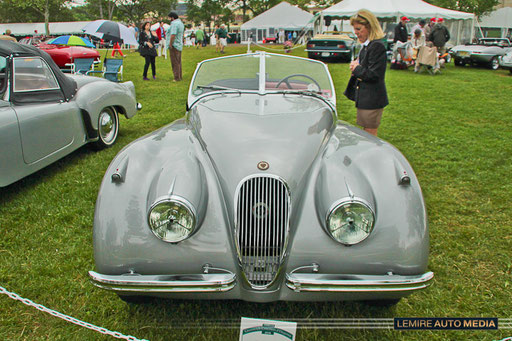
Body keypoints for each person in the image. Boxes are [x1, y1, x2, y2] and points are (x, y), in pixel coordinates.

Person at [344, 10, 388, 137]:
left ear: (369, 27)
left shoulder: (376, 46)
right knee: (365, 133)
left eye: (359, 29)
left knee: (369, 135)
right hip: (366, 97)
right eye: (355, 29)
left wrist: (357, 69)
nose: (356, 33)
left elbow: (374, 75)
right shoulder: (367, 46)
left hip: (372, 98)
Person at [166, 11, 184, 82]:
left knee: (174, 62)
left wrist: (170, 44)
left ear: (172, 18)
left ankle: (176, 77)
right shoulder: (181, 23)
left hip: (174, 45)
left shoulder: (174, 24)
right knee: (178, 61)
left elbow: (173, 34)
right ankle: (180, 75)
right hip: (179, 44)